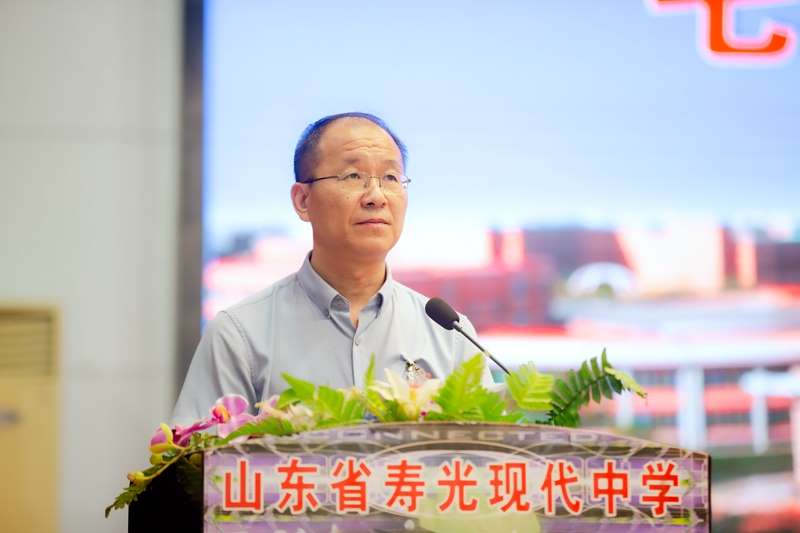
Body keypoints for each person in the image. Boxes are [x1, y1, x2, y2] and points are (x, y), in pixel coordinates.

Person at [172, 112, 493, 424]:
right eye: (353, 176)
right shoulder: (240, 334)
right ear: (303, 200)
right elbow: (195, 455)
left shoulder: (450, 333)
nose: (376, 196)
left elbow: (489, 451)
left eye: (391, 178)